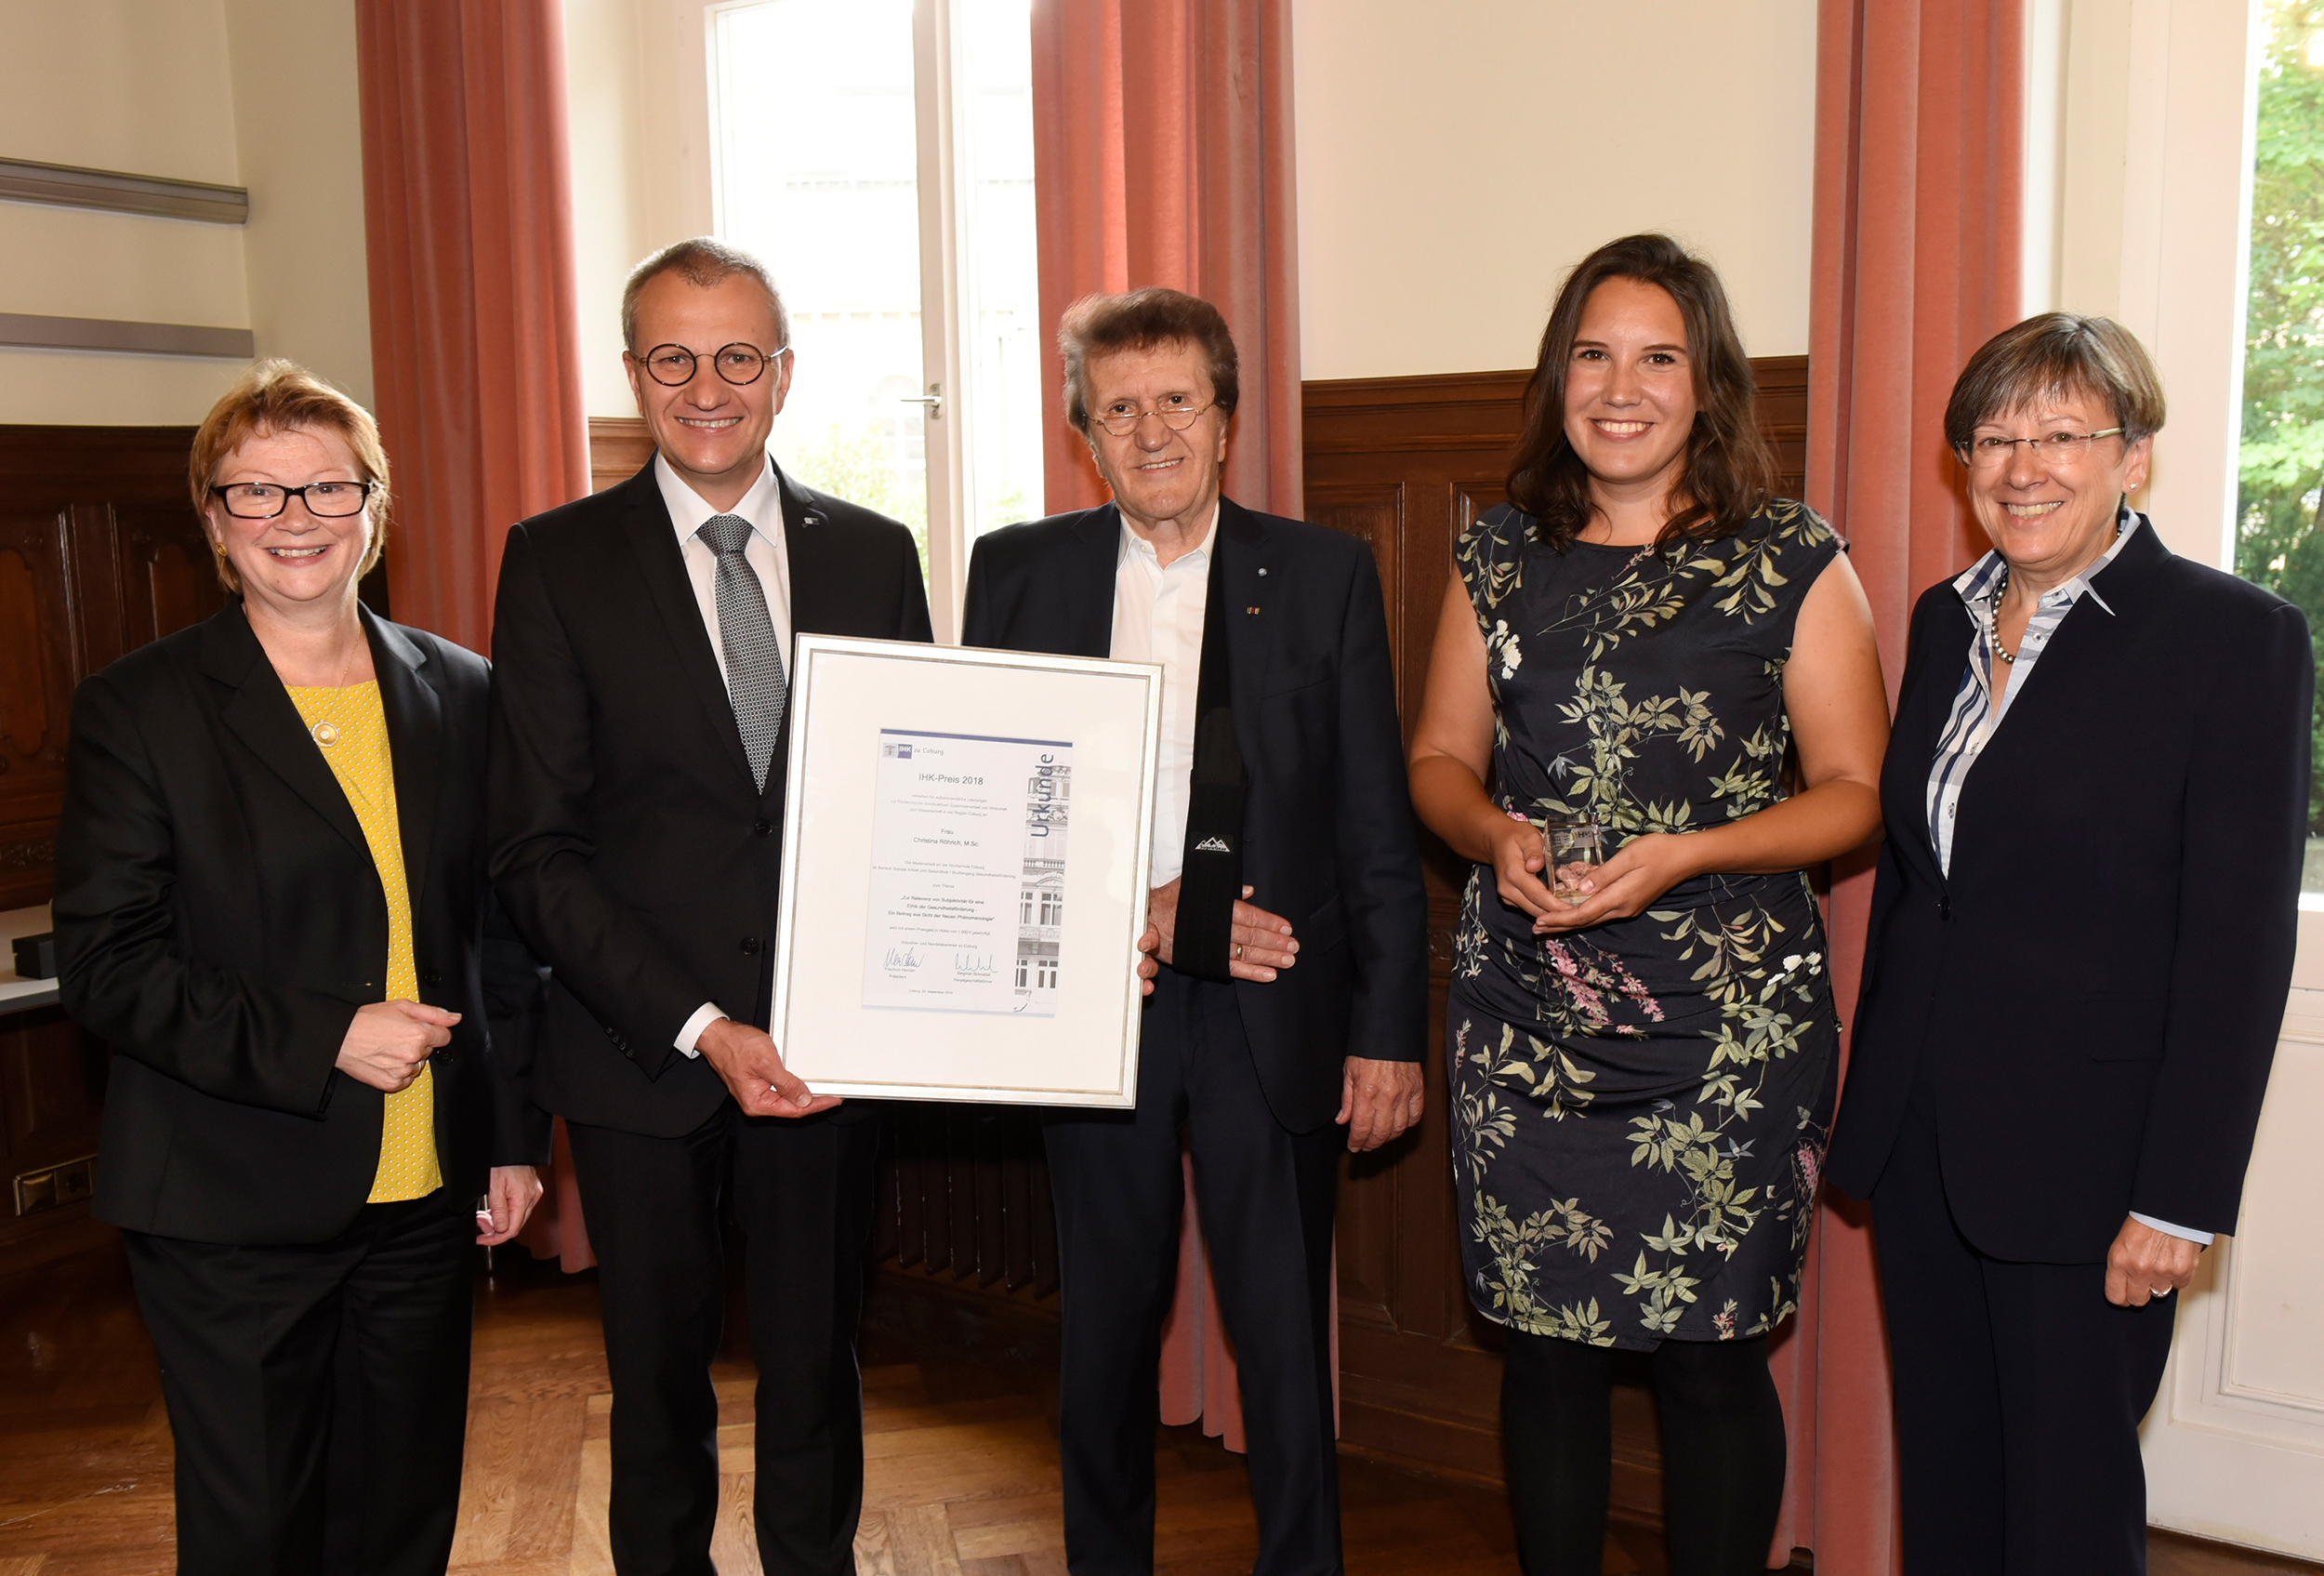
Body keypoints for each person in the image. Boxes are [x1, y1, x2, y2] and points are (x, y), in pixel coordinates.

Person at [1405, 233, 1890, 1575]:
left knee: (1713, 1364)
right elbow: (1437, 759)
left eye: (1658, 356)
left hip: (1729, 1041)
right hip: (1525, 1027)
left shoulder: (1794, 558)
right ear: (1560, 375)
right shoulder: (1495, 556)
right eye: (1595, 354)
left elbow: (1857, 793)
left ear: (1707, 382)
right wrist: (1492, 831)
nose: (1623, 387)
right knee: (1546, 1359)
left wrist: (1684, 854)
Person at [1821, 313, 2310, 1573]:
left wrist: (2180, 1198)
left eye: (2062, 436)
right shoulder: (1940, 620)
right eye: (1994, 437)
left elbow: (2238, 946)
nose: (2023, 466)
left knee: (2069, 1513)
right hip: (1925, 1146)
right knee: (1951, 1487)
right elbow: (1935, 888)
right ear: (1962, 462)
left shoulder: (2232, 640)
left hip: (2093, 1171)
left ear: (2132, 458)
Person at [51, 360, 548, 1576]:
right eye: (257, 495)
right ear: (214, 520)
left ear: (374, 508)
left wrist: (514, 1134)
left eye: (325, 488)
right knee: (259, 1531)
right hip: (228, 1196)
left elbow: (498, 938)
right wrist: (327, 1029)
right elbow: (106, 965)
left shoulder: (461, 690)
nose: (296, 520)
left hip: (423, 1191)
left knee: (403, 1517)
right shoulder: (142, 708)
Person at [961, 286, 1428, 1576]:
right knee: (1102, 1334)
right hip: (1096, 1001)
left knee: (1283, 1345)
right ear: (1083, 434)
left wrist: (1389, 1033)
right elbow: (991, 806)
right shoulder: (1017, 573)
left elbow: (1375, 825)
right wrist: (1142, 912)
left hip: (1273, 1013)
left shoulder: (1323, 573)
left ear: (1227, 421)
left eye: (1179, 400)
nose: (1152, 430)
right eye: (1120, 408)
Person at [488, 237, 932, 1576]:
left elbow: (911, 808)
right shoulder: (556, 560)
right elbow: (535, 850)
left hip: (824, 1054)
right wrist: (697, 1024)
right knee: (658, 1400)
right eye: (673, 358)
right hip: (641, 1057)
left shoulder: (874, 552)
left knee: (818, 1377)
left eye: (737, 355)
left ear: (784, 374)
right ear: (634, 375)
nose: (708, 385)